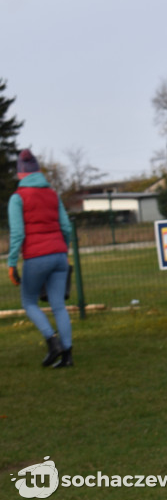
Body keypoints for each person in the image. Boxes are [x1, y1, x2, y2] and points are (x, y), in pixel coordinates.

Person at [7, 149, 74, 368]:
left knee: (29, 302)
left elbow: (18, 234)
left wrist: (11, 263)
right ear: (38, 172)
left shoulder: (18, 198)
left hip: (36, 257)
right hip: (59, 256)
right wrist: (64, 247)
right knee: (58, 307)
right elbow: (66, 226)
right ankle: (67, 356)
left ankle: (51, 341)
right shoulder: (53, 194)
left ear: (21, 174)